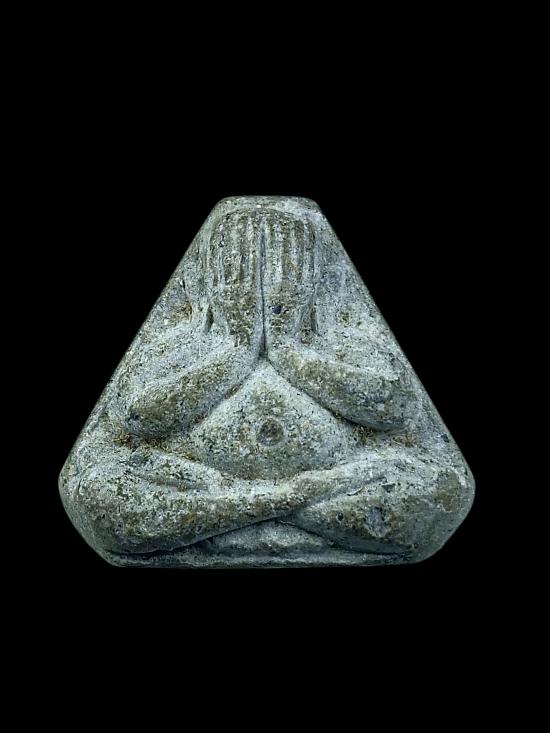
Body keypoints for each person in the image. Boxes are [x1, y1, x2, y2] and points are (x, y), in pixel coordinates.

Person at [59, 197, 474, 566]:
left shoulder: (343, 337)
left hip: (333, 483)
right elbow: (135, 416)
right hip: (206, 483)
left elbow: (395, 407)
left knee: (438, 491)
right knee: (99, 491)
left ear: (321, 280)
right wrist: (236, 348)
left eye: (287, 273)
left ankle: (231, 519)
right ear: (204, 281)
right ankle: (281, 511)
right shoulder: (182, 343)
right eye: (237, 273)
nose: (261, 289)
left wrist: (289, 350)